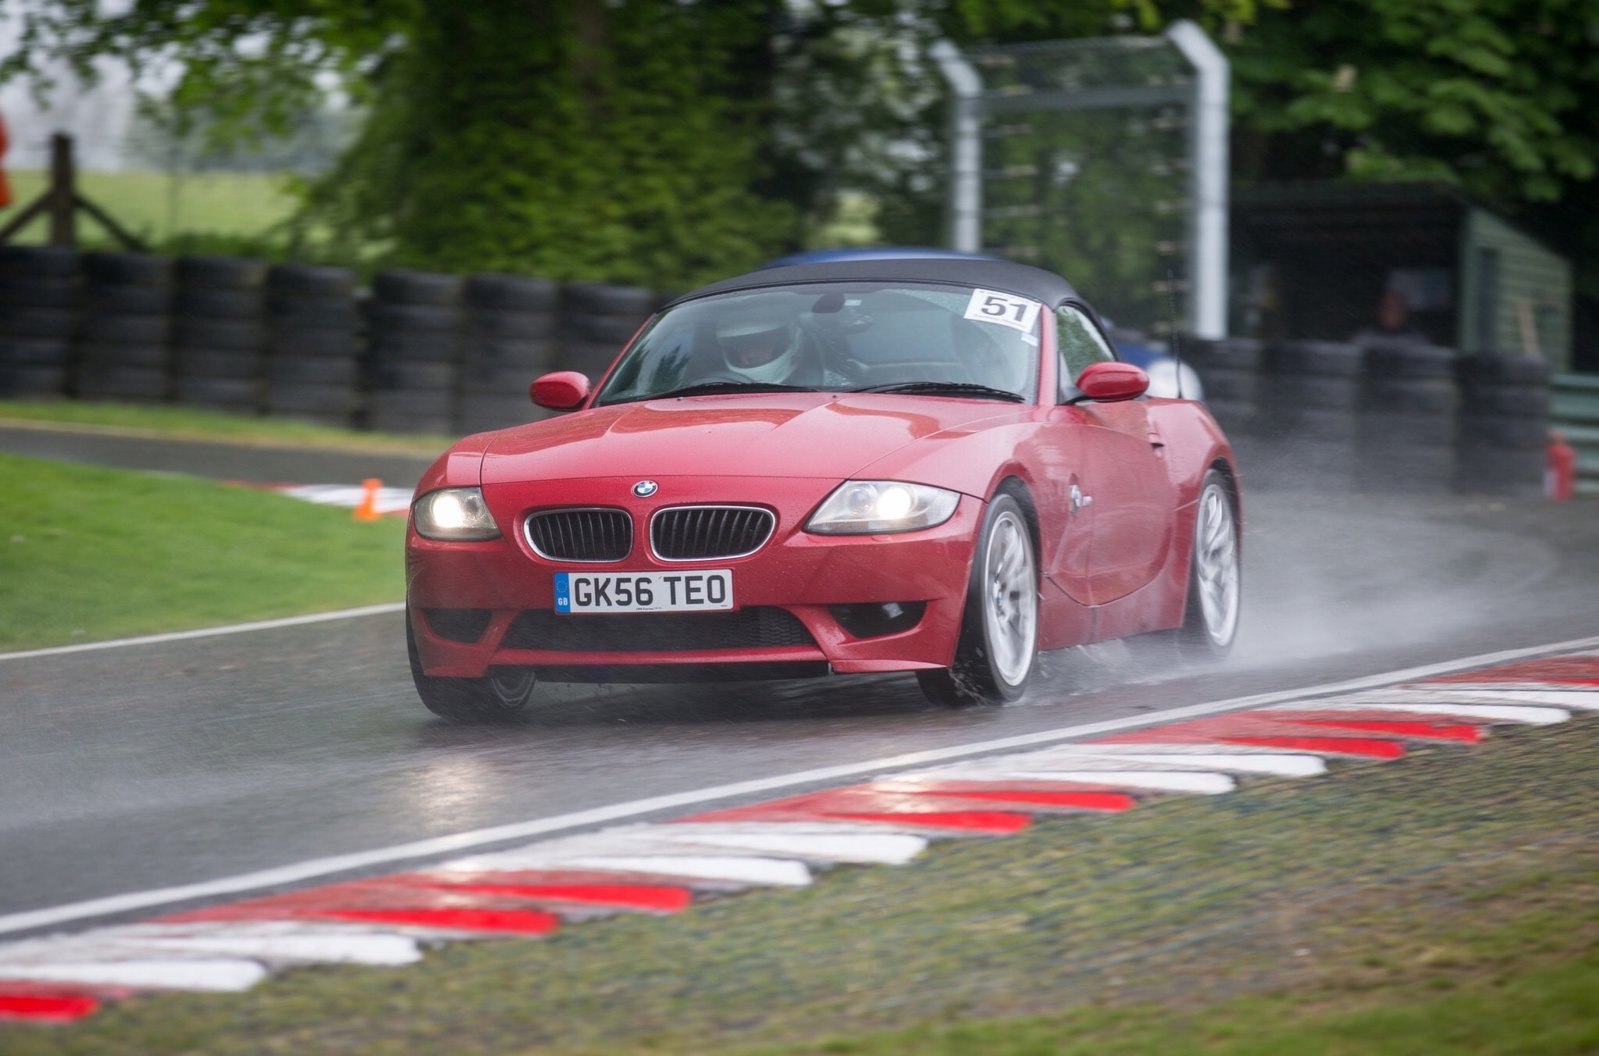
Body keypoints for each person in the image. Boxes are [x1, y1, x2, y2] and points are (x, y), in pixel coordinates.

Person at [1353, 289, 1426, 344]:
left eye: (1397, 307)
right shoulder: (1364, 338)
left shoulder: (1417, 341)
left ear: (1405, 312)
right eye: (1387, 307)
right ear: (1380, 311)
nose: (1391, 312)